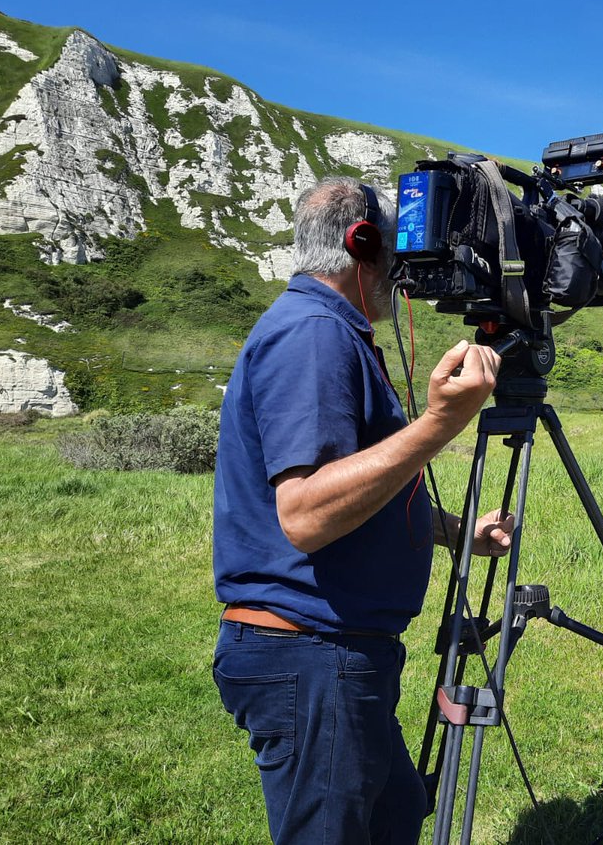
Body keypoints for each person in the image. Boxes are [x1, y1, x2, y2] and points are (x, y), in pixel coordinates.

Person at [212, 176, 513, 844]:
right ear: (362, 240)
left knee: (394, 818)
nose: (404, 273)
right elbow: (308, 514)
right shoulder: (314, 334)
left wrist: (457, 531)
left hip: (332, 654)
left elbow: (356, 495)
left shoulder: (326, 331)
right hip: (310, 654)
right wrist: (439, 423)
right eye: (396, 250)